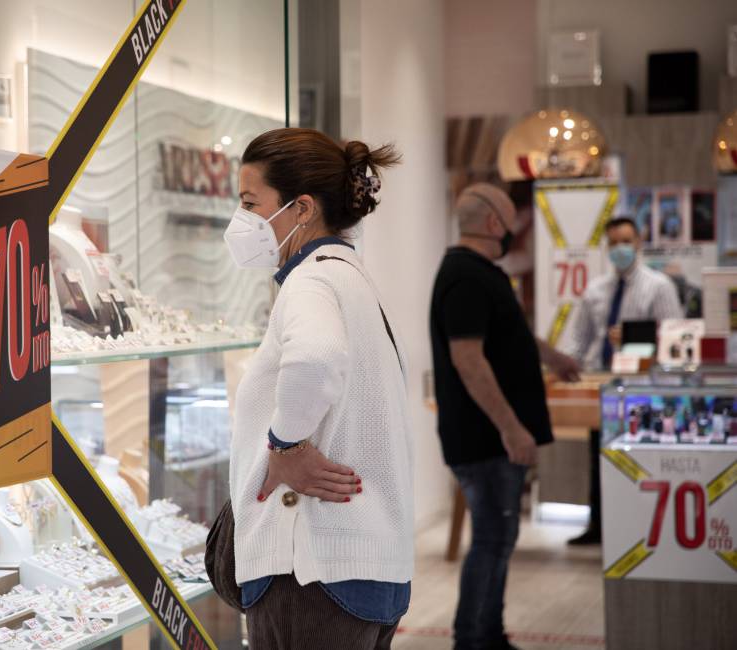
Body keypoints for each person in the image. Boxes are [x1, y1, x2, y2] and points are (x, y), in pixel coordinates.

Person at [225, 128, 413, 649]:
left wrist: (284, 446)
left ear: (301, 208)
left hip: (311, 571)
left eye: (249, 203)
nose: (241, 221)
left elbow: (316, 357)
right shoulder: (353, 279)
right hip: (367, 566)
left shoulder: (310, 281)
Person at [429, 183, 580, 650]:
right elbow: (469, 360)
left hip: (491, 439)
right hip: (485, 440)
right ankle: (473, 639)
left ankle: (488, 635)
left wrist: (551, 356)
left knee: (499, 539)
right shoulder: (467, 277)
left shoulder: (481, 273)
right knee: (492, 541)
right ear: (495, 223)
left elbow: (504, 336)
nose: (516, 227)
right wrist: (512, 428)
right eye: (512, 217)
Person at [564, 216, 683, 545]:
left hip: (643, 388)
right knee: (597, 457)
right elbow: (579, 340)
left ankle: (637, 529)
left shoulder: (658, 287)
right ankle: (598, 526)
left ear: (639, 242)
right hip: (601, 385)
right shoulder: (595, 290)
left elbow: (675, 339)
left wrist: (633, 338)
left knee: (634, 459)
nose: (620, 249)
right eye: (614, 243)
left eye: (626, 241)